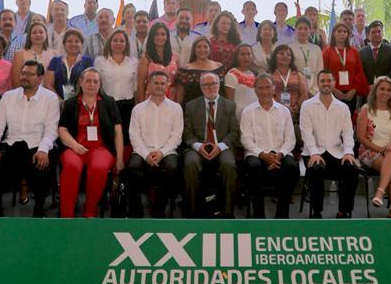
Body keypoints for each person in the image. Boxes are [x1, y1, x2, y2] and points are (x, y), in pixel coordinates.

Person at [0, 60, 60, 216]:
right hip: (11, 144)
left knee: (42, 164)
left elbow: (51, 129)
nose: (24, 77)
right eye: (23, 73)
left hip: (37, 145)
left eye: (30, 74)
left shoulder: (50, 98)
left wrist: (43, 149)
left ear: (40, 78)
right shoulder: (8, 96)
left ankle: (39, 210)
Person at [57, 67, 123, 218]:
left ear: (100, 84)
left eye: (95, 81)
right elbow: (62, 129)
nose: (91, 84)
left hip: (101, 148)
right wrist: (75, 145)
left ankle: (90, 209)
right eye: (88, 81)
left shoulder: (109, 102)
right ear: (81, 83)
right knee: (71, 166)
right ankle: (67, 214)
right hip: (75, 147)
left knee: (98, 168)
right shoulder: (70, 103)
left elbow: (118, 131)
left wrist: (119, 159)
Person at [300, 70, 359, 219]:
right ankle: (317, 211)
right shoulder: (307, 105)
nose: (326, 83)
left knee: (351, 169)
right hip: (314, 151)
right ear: (317, 83)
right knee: (316, 169)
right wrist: (314, 153)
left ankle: (343, 211)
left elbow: (348, 133)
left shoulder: (343, 107)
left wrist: (348, 152)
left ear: (334, 83)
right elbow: (306, 132)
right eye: (322, 81)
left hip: (337, 151)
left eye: (329, 80)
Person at [125, 71, 183, 218]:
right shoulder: (138, 109)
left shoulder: (176, 108)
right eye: (155, 83)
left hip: (167, 151)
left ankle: (159, 207)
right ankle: (136, 209)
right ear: (149, 84)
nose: (159, 86)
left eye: (162, 83)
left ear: (167, 85)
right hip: (142, 150)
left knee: (171, 167)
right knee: (133, 167)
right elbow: (134, 135)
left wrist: (162, 152)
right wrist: (146, 154)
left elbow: (176, 136)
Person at [240, 74, 299, 218]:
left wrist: (280, 155)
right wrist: (262, 155)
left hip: (280, 153)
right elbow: (245, 139)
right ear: (255, 90)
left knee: (292, 167)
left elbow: (290, 139)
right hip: (257, 153)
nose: (265, 91)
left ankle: (282, 215)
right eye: (261, 88)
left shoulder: (284, 111)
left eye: (268, 87)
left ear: (274, 88)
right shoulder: (248, 111)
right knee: (253, 167)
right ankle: (259, 215)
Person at [182, 72, 239, 217]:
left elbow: (234, 132)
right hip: (197, 146)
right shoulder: (191, 106)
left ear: (219, 85)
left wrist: (220, 147)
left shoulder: (230, 105)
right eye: (206, 84)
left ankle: (227, 212)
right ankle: (192, 212)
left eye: (213, 83)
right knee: (190, 163)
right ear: (201, 87)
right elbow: (187, 132)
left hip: (222, 146)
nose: (210, 87)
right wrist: (198, 146)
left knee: (229, 165)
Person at [357, 76, 391, 217]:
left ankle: (380, 192)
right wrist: (380, 150)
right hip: (369, 151)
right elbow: (361, 137)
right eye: (382, 89)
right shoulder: (366, 109)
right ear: (375, 90)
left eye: (389, 90)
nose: (385, 92)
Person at [324, 22, 369, 112]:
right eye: (339, 31)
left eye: (345, 31)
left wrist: (354, 90)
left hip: (351, 93)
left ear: (348, 34)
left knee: (349, 117)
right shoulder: (327, 52)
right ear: (334, 33)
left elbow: (359, 72)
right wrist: (333, 89)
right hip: (333, 91)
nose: (342, 33)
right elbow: (324, 72)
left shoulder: (354, 52)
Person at [271, 44, 308, 139]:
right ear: (275, 56)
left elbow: (304, 94)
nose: (285, 56)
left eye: (288, 54)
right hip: (274, 112)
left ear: (291, 58)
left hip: (295, 114)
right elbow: (267, 95)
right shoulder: (269, 74)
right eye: (281, 53)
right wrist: (282, 107)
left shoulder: (298, 74)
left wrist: (297, 107)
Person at [45, 28, 93, 100]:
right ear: (64, 44)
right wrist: (59, 101)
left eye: (77, 41)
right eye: (70, 41)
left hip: (81, 102)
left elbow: (91, 83)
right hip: (57, 102)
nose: (73, 44)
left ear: (81, 44)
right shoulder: (55, 61)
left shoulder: (88, 61)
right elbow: (48, 84)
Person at [175, 36, 224, 105]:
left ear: (210, 49)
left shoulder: (219, 67)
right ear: (194, 49)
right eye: (198, 47)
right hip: (191, 109)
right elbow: (180, 94)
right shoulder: (185, 70)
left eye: (205, 47)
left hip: (216, 108)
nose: (202, 49)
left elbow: (223, 92)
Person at [137, 22, 178, 101]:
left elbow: (178, 83)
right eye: (156, 34)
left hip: (171, 100)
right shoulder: (146, 58)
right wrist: (141, 104)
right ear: (151, 36)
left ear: (167, 37)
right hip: (151, 100)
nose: (160, 37)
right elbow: (141, 84)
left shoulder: (176, 57)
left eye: (163, 34)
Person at [359, 21, 391, 88]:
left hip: (387, 89)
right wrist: (367, 86)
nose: (377, 34)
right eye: (373, 32)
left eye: (379, 32)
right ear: (368, 36)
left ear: (382, 34)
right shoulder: (361, 52)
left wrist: (380, 85)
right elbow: (360, 72)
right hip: (367, 89)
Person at [223, 44, 259, 122]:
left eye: (248, 54)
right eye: (242, 54)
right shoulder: (231, 74)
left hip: (256, 114)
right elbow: (230, 100)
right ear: (237, 57)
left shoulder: (255, 73)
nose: (246, 57)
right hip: (240, 116)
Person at [287, 18, 324, 93]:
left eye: (306, 28)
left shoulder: (316, 49)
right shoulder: (289, 48)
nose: (303, 31)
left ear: (310, 30)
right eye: (300, 28)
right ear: (295, 30)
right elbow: (287, 70)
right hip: (295, 87)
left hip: (314, 89)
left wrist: (313, 91)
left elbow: (320, 71)